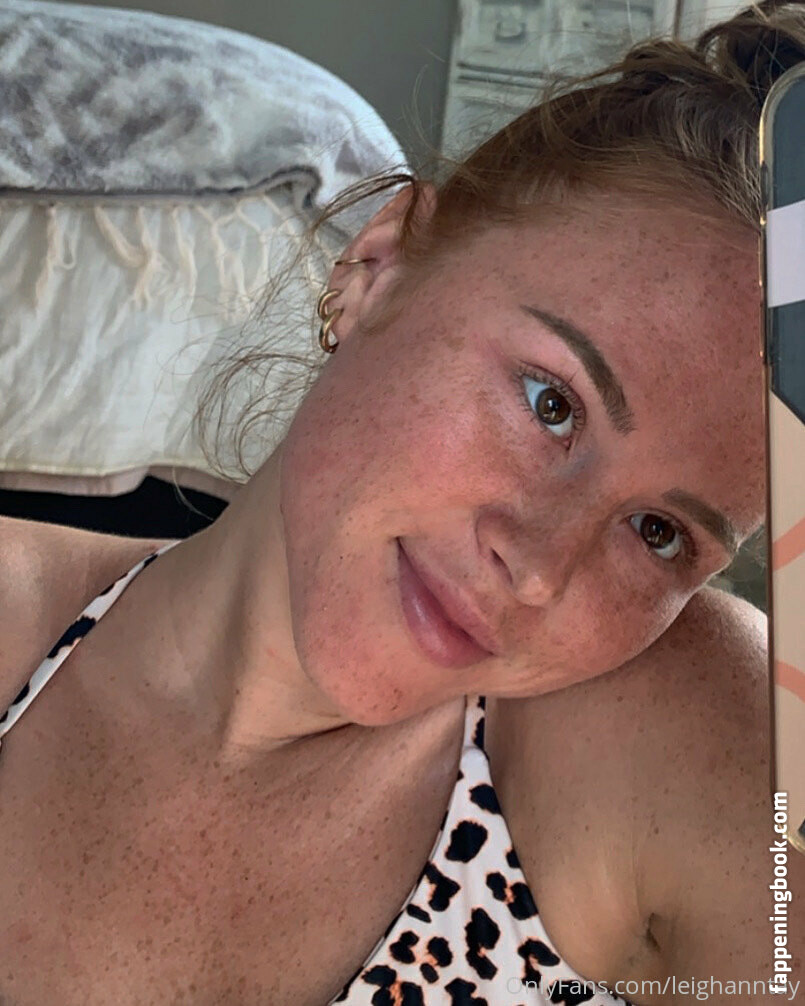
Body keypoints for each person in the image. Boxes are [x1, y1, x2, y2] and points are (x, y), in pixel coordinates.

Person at [1, 2, 804, 1003]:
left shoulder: (682, 738)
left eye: (658, 533)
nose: (539, 569)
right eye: (551, 402)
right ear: (377, 267)